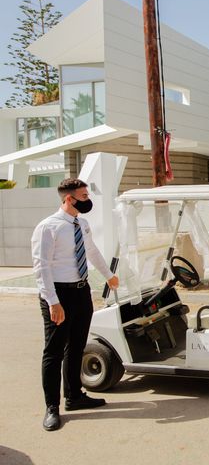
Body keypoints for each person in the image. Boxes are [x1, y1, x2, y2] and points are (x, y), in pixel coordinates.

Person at [31, 178, 119, 431]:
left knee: (77, 346)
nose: (87, 199)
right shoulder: (48, 227)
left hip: (81, 292)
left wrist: (108, 275)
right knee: (54, 351)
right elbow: (42, 267)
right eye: (83, 196)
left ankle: (74, 396)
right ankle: (51, 408)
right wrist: (53, 302)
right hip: (59, 294)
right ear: (68, 199)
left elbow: (91, 251)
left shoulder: (82, 223)